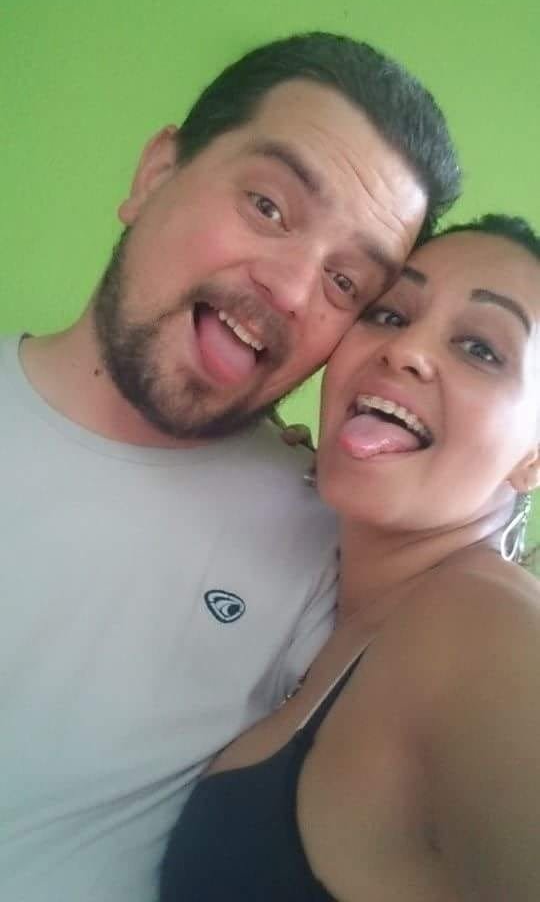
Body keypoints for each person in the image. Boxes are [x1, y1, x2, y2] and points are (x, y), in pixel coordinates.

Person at [0, 32, 459, 901]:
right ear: (155, 174)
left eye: (347, 284)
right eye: (269, 206)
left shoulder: (320, 545)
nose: (290, 288)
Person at [161, 214, 540, 902]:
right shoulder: (337, 589)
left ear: (534, 457)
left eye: (482, 349)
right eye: (389, 314)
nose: (406, 350)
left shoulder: (493, 635)